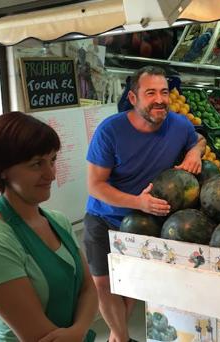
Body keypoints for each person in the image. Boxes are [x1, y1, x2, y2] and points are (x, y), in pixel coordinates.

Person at [84, 66, 206, 342]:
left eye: (164, 92)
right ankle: (121, 337)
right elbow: (95, 185)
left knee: (133, 287)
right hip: (105, 216)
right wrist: (138, 202)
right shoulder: (110, 131)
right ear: (133, 98)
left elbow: (198, 139)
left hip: (147, 220)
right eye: (150, 93)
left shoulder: (180, 124)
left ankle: (119, 338)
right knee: (102, 283)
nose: (160, 99)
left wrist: (195, 152)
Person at [0, 112, 98, 341]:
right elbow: (39, 336)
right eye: (37, 164)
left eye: (53, 160)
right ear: (2, 169)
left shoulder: (58, 221)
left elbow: (89, 288)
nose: (51, 174)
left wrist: (78, 331)